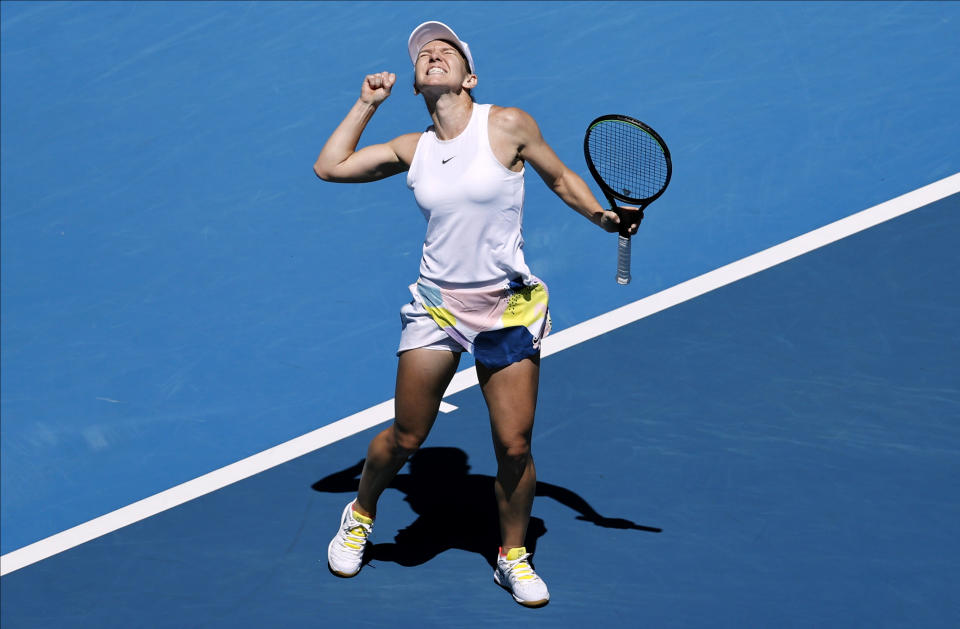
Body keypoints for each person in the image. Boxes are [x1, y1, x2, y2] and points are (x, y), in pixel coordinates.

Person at [313, 20, 640, 608]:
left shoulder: (508, 124)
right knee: (409, 435)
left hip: (508, 305)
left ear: (470, 75)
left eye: (447, 50)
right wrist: (366, 104)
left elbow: (562, 179)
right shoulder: (413, 149)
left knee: (514, 446)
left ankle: (511, 555)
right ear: (416, 84)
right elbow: (330, 167)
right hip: (438, 307)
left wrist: (605, 220)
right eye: (423, 55)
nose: (433, 54)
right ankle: (361, 511)